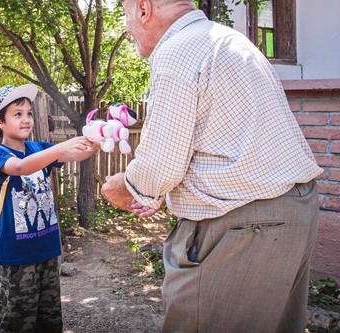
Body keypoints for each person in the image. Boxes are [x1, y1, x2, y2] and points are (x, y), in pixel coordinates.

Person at [100, 1, 324, 332]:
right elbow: (225, 143)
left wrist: (127, 187)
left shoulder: (177, 50)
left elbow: (160, 165)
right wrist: (166, 187)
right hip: (293, 213)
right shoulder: (228, 40)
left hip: (243, 225)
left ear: (144, 9)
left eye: (125, 13)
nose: (127, 27)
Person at [0, 84, 94, 332]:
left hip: (48, 250)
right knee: (17, 321)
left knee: (50, 319)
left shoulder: (39, 149)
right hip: (17, 255)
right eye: (18, 114)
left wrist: (93, 142)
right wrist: (60, 148)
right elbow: (21, 167)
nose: (26, 119)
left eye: (29, 113)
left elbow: (76, 155)